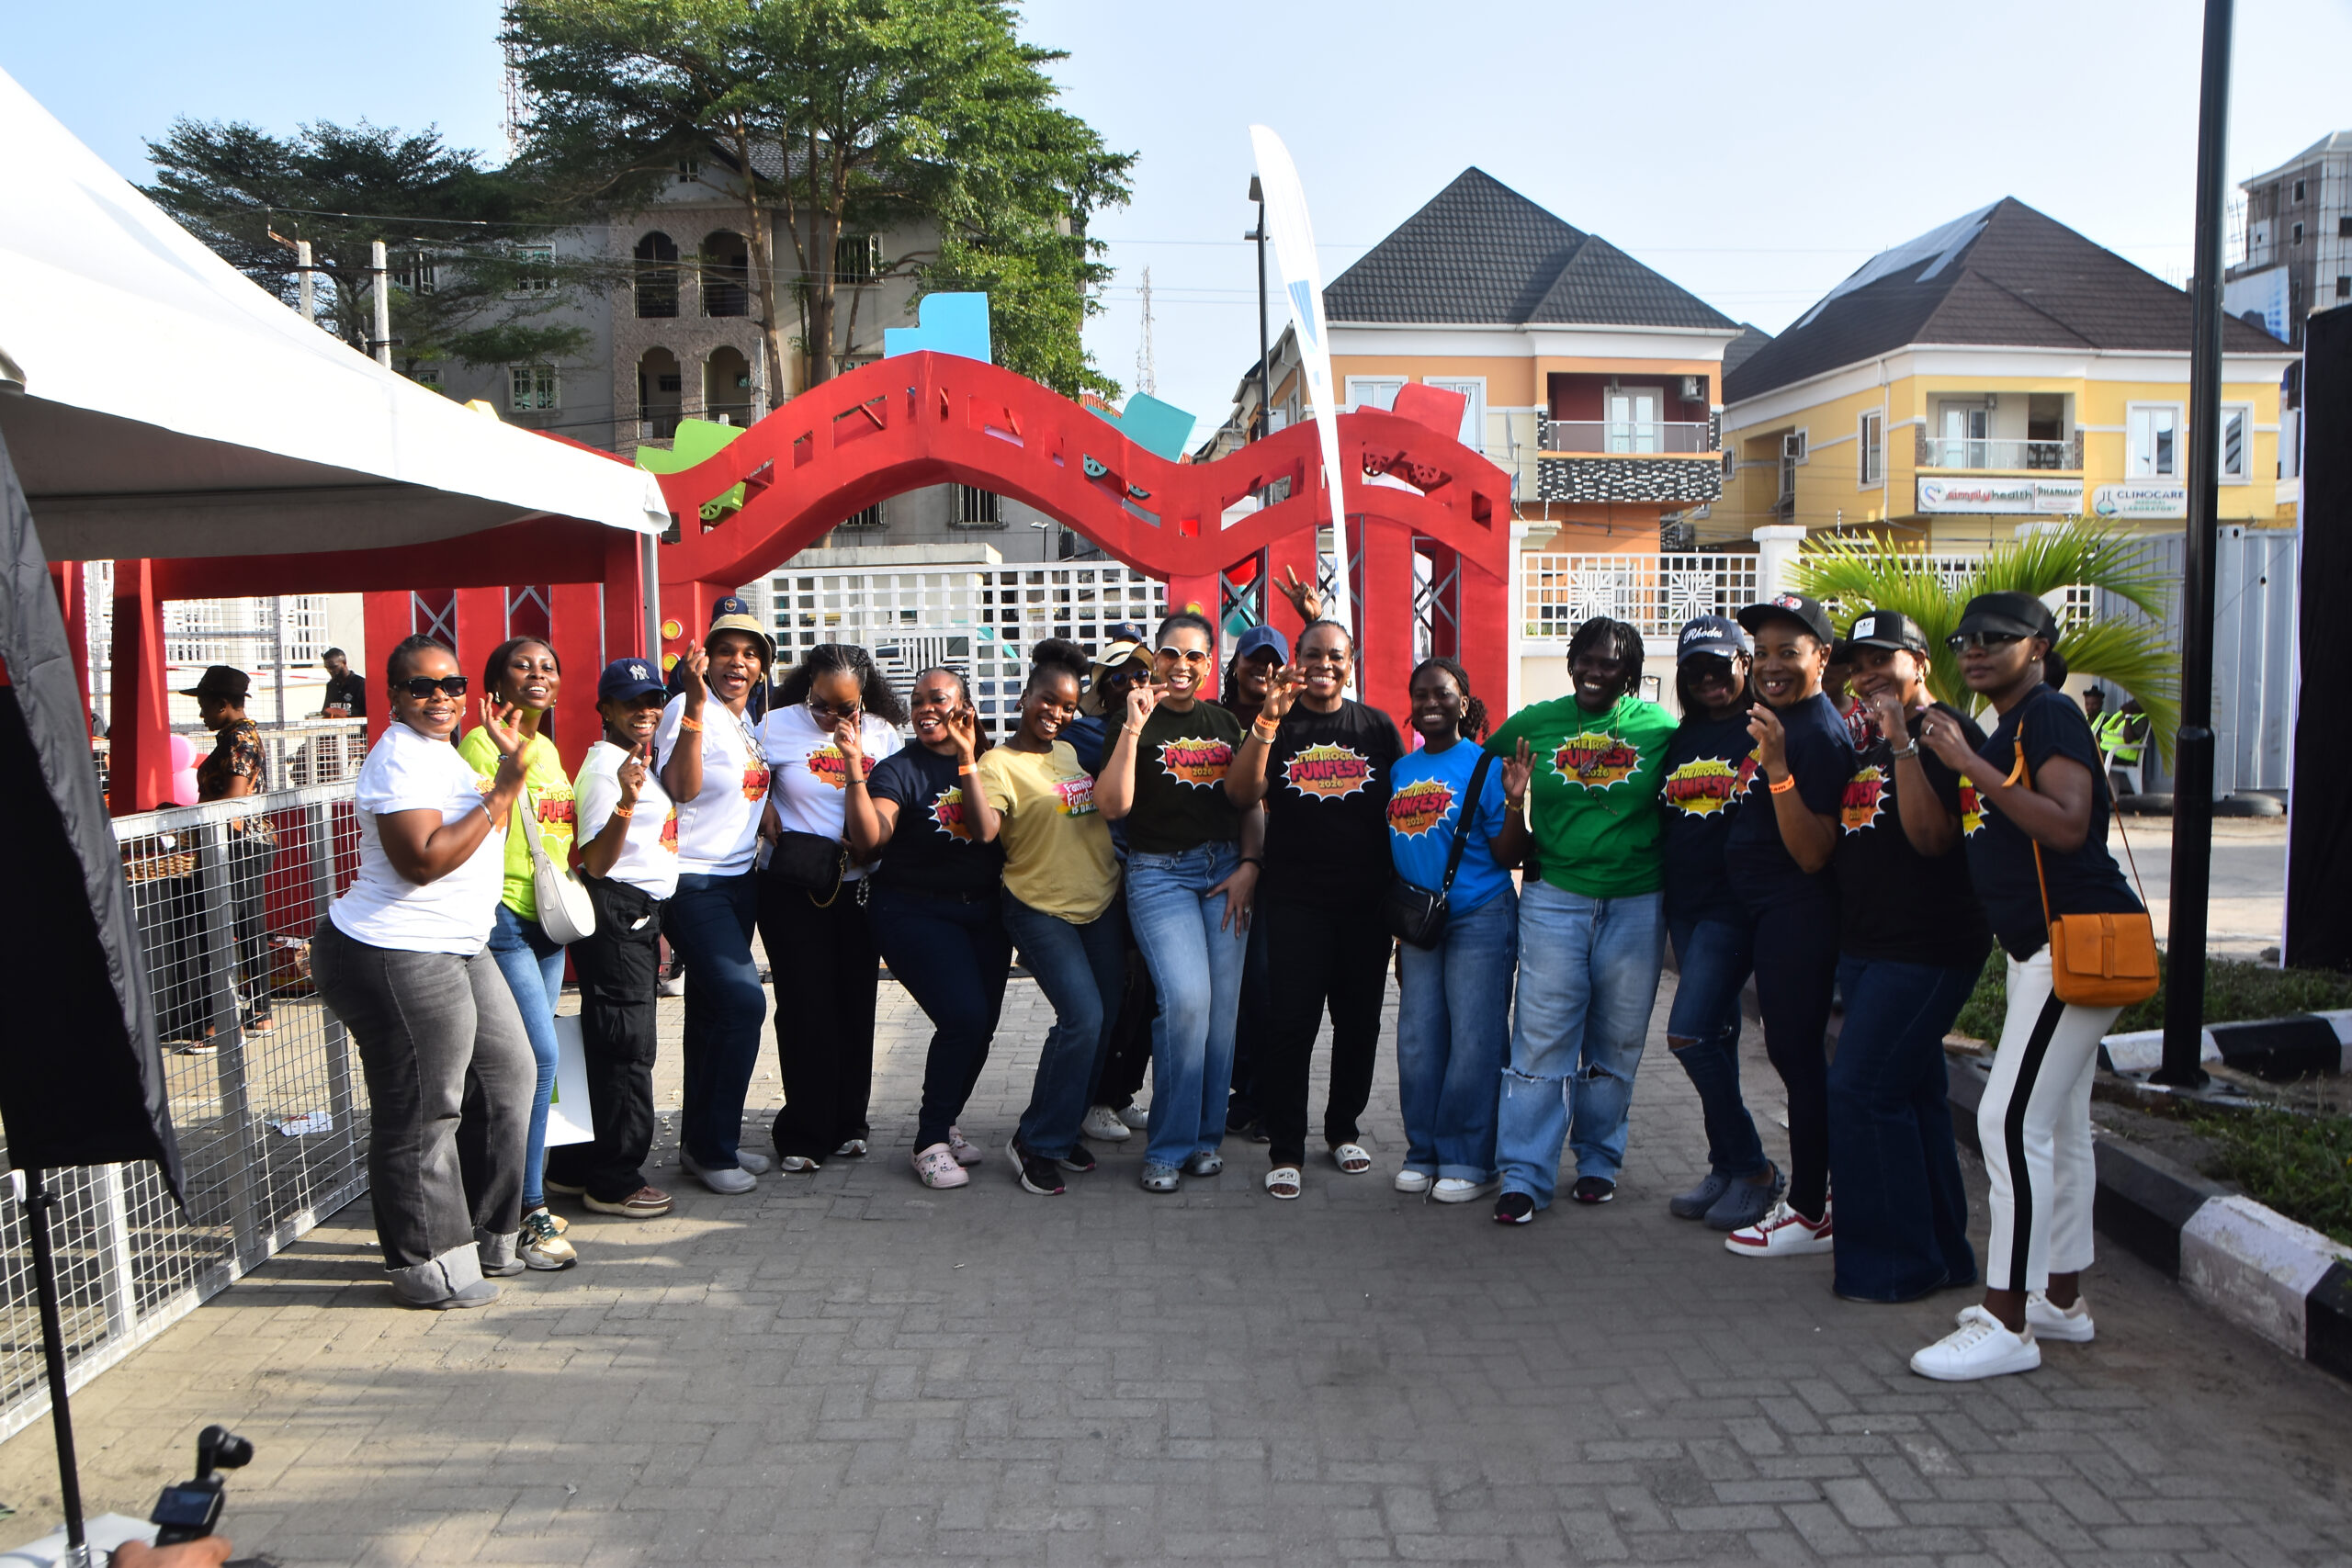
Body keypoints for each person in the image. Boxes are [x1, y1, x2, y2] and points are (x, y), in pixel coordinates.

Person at [1911, 592, 2145, 1381]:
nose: (1974, 651)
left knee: (2007, 1122)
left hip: (2070, 945)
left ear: (2039, 646)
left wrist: (1970, 764)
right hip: (2038, 951)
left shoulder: (2046, 715)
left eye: (1996, 638)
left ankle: (2009, 1322)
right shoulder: (2010, 723)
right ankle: (2060, 1300)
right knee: (2058, 1127)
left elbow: (2068, 822)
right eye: (1965, 639)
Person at [309, 636, 535, 1309]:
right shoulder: (396, 759)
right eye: (421, 687)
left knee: (509, 1078)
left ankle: (491, 1234)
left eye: (452, 684)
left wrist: (503, 771)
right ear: (392, 697)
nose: (441, 698)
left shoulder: (443, 753)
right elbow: (423, 859)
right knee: (423, 1106)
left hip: (459, 943)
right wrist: (501, 793)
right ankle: (426, 1264)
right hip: (396, 948)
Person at [1483, 616, 1677, 1224]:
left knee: (1616, 1038)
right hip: (1555, 900)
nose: (1595, 671)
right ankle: (1524, 1172)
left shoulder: (1662, 728)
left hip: (1637, 903)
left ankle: (1597, 1158)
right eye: (1585, 660)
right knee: (1540, 1036)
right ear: (1570, 663)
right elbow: (1473, 769)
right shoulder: (1534, 723)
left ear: (1631, 672)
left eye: (1611, 663)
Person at [1826, 610, 1989, 1303]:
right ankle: (1944, 1253)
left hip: (1925, 948)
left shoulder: (1940, 731)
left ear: (1919, 661)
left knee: (1860, 1091)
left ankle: (1895, 1264)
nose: (1868, 673)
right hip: (1867, 947)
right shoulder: (1864, 737)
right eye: (1859, 662)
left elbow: (1931, 839)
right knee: (1914, 1095)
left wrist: (1902, 745)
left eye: (1882, 658)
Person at [1226, 618, 1404, 1200]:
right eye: (1313, 655)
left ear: (1351, 663)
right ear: (1294, 662)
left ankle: (1343, 1128)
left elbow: (1401, 814)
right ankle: (1286, 1146)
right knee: (1291, 1027)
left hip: (1365, 906)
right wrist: (1268, 722)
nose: (1324, 664)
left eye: (1336, 655)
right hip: (1296, 903)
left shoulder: (1376, 727)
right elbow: (1242, 794)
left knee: (1358, 1024)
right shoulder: (1276, 723)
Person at [1096, 611, 1263, 1194]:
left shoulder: (1225, 724)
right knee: (1187, 1003)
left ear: (1210, 663)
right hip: (1159, 875)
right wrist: (1133, 730)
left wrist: (1250, 866)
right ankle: (1166, 1147)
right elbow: (1113, 807)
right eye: (1171, 654)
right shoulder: (1131, 719)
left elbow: (1250, 802)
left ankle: (1204, 1140)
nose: (1182, 666)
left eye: (1195, 656)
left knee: (1220, 1017)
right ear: (1155, 658)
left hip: (1225, 872)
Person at [1719, 593, 1855, 1258]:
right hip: (1767, 913)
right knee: (1791, 1056)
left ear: (1822, 658)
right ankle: (1818, 1195)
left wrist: (1774, 770)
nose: (1770, 666)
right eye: (1762, 653)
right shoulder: (1784, 719)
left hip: (1797, 914)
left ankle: (1810, 1208)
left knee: (1799, 1059)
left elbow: (1813, 850)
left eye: (1788, 652)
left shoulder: (1814, 734)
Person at [844, 666, 1007, 1190]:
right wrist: (853, 770)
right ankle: (929, 1140)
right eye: (917, 702)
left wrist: (966, 761)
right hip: (913, 911)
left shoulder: (988, 764)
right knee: (962, 1016)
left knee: (981, 1026)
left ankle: (947, 1117)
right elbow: (872, 838)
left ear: (965, 709)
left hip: (984, 913)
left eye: (937, 699)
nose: (925, 710)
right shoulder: (898, 770)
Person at [978, 639, 1127, 1195]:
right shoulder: (998, 763)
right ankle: (1035, 1140)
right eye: (1048, 700)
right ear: (1024, 697)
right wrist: (970, 761)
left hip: (1100, 901)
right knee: (1082, 1017)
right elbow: (987, 826)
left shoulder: (1069, 753)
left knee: (1104, 1017)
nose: (1058, 713)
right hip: (1039, 907)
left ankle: (1062, 1130)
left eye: (1068, 706)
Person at [1384, 657, 1529, 1201]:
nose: (1429, 703)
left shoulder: (1486, 765)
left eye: (1441, 694)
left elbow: (1509, 854)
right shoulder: (1403, 770)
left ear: (1463, 703)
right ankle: (1424, 1151)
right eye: (1419, 694)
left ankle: (1471, 1158)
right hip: (1420, 924)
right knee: (1419, 1042)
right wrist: (1400, 936)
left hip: (1479, 917)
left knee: (1476, 1040)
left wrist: (1514, 802)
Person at [758, 642, 906, 1171]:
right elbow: (747, 784)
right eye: (822, 704)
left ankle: (849, 1121)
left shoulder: (883, 734)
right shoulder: (775, 726)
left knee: (854, 1005)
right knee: (805, 1007)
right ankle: (803, 1131)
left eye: (847, 708)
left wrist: (854, 757)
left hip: (860, 886)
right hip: (796, 886)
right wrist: (766, 806)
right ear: (807, 689)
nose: (833, 718)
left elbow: (896, 800)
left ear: (865, 697)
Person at [458, 637, 580, 1272]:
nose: (539, 674)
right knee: (539, 1057)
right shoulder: (481, 744)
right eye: (523, 665)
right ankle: (525, 1210)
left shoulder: (550, 748)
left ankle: (513, 1195)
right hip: (502, 917)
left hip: (547, 922)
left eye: (549, 666)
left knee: (531, 1066)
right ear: (495, 681)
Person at [1655, 617, 1780, 1233]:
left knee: (1688, 1034)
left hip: (1734, 908)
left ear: (1745, 665)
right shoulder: (1682, 736)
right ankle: (1725, 1164)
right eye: (1694, 669)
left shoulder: (1761, 729)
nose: (1707, 678)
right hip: (1685, 902)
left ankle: (1755, 1167)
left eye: (1719, 666)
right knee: (1718, 1041)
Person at [543, 659, 678, 1220]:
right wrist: (625, 799)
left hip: (636, 914)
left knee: (608, 1039)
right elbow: (596, 863)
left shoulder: (629, 761)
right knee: (627, 1047)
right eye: (631, 703)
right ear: (605, 710)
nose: (645, 711)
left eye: (653, 701)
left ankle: (576, 1169)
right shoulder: (607, 772)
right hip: (617, 910)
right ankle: (615, 1178)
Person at [656, 596, 775, 1196]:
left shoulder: (746, 720)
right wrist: (697, 704)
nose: (738, 662)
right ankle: (713, 1146)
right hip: (694, 881)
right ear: (704, 658)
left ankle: (700, 1144)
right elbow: (680, 786)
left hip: (738, 882)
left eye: (750, 654)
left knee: (709, 1016)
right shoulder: (686, 707)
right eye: (726, 651)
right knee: (742, 1004)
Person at [1066, 626, 1157, 1145]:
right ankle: (1094, 1099)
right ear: (1102, 687)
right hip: (1108, 877)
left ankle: (1121, 1092)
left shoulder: (1165, 729)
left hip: (1161, 874)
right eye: (1120, 676)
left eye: (1142, 673)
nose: (1133, 682)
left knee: (1150, 993)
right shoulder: (1084, 735)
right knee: (1118, 990)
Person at [1217, 624, 1288, 1145]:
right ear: (1234, 665)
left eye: (1273, 662)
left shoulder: (1293, 718)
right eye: (1254, 661)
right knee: (1232, 993)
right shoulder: (1215, 721)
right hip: (1220, 865)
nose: (1263, 671)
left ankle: (1263, 1100)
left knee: (1266, 989)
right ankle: (1240, 1095)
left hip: (1274, 869)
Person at [185, 664, 277, 1036]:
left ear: (223, 704)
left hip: (238, 845)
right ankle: (259, 1012)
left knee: (218, 927)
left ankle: (223, 1022)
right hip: (248, 843)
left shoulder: (240, 739)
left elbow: (233, 801)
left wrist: (196, 812)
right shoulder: (239, 735)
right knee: (247, 927)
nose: (201, 713)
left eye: (205, 705)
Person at [318, 647, 367, 718]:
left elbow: (369, 713)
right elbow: (326, 710)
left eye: (333, 667)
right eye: (327, 668)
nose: (330, 671)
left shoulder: (360, 684)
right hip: (336, 729)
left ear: (344, 663)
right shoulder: (331, 685)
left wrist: (345, 714)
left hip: (356, 728)